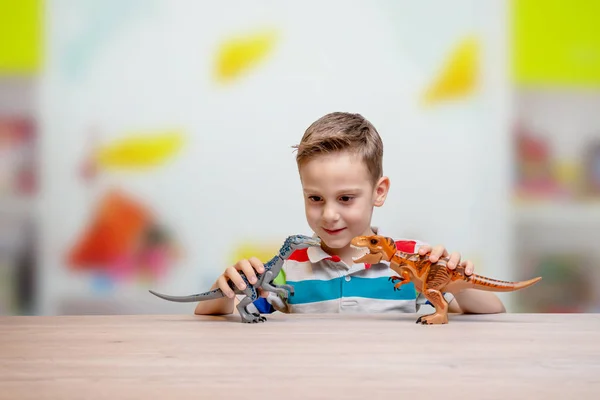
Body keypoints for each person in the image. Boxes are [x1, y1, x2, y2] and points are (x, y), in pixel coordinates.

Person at [194, 112, 506, 317]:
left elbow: (493, 313)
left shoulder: (415, 259)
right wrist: (225, 289)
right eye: (315, 198)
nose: (329, 215)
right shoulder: (290, 268)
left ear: (379, 192)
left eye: (345, 198)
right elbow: (219, 315)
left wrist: (454, 280)